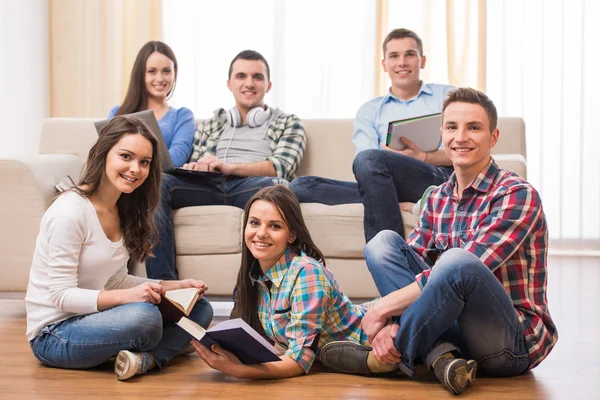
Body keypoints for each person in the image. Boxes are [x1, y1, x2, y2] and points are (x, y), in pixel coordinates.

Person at [318, 88, 558, 395]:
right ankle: (442, 357)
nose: (461, 137)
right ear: (441, 133)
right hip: (455, 329)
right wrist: (393, 318)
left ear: (493, 137)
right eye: (452, 127)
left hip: (509, 344)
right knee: (383, 244)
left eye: (474, 127)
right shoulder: (438, 198)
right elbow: (409, 272)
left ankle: (382, 359)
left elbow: (463, 268)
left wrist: (380, 311)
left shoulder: (516, 194)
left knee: (457, 261)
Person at [25, 115, 213, 381]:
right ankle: (156, 350)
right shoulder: (69, 212)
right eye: (126, 156)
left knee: (200, 308)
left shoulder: (124, 209)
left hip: (97, 318)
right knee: (145, 319)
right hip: (55, 334)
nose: (135, 168)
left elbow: (115, 280)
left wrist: (173, 286)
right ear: (104, 154)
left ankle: (145, 359)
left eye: (144, 162)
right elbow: (61, 296)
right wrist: (129, 297)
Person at [191, 185, 395, 379]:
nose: (261, 233)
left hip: (376, 337)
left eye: (275, 226)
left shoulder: (307, 273)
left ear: (292, 235)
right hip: (333, 354)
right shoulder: (256, 276)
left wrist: (241, 371)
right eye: (254, 223)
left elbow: (300, 361)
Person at [146, 50, 306, 280]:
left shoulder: (288, 122)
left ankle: (247, 296)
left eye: (257, 77)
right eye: (241, 76)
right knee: (158, 182)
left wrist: (230, 167)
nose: (249, 83)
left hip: (254, 186)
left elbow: (281, 168)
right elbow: (199, 158)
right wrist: (196, 167)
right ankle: (165, 287)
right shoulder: (212, 124)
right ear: (229, 84)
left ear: (268, 85)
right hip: (208, 185)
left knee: (280, 189)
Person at [290, 28, 455, 242]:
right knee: (301, 186)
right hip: (383, 181)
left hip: (435, 177)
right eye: (394, 56)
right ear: (384, 64)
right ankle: (393, 200)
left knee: (371, 159)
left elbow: (467, 151)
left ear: (422, 61)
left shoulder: (446, 96)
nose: (402, 62)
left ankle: (389, 254)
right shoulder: (370, 111)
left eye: (410, 54)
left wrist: (423, 157)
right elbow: (365, 164)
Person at [108, 41, 195, 167]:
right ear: (141, 74)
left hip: (157, 182)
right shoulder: (117, 113)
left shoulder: (182, 116)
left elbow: (176, 159)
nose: (160, 79)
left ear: (174, 74)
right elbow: (104, 155)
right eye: (152, 71)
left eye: (166, 71)